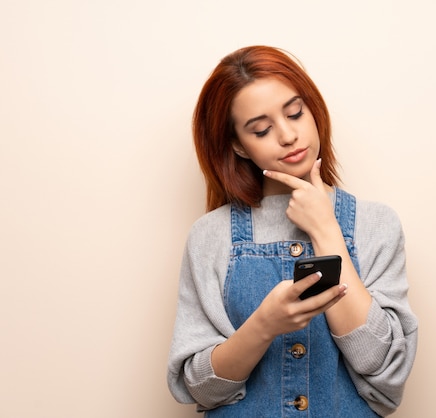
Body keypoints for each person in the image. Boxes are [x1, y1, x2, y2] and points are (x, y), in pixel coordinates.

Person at [167, 45, 418, 417]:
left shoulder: (376, 224)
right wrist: (264, 325)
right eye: (262, 129)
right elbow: (199, 388)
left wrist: (326, 231)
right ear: (238, 145)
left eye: (296, 113)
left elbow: (385, 369)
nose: (287, 135)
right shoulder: (210, 236)